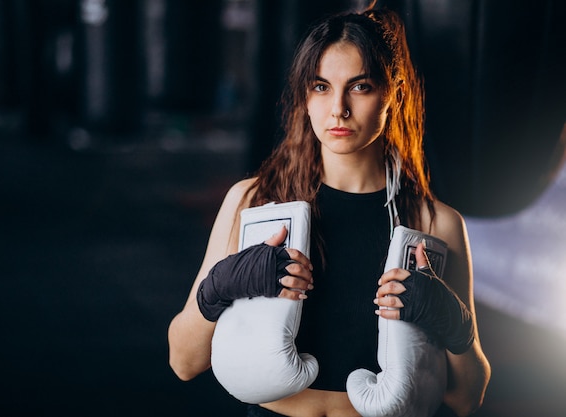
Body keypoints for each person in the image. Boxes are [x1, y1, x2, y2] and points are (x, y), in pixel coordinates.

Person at [168, 7, 491, 417]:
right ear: (305, 96)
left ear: (396, 93)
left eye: (360, 87)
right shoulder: (254, 201)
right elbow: (183, 361)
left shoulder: (436, 223)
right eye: (321, 86)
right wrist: (219, 287)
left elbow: (467, 397)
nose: (337, 108)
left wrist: (452, 324)